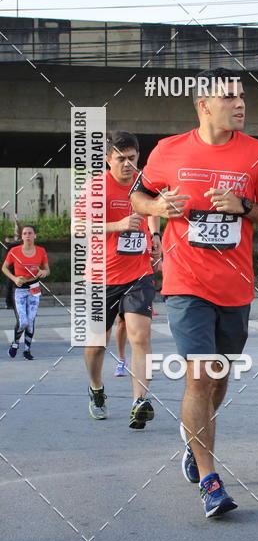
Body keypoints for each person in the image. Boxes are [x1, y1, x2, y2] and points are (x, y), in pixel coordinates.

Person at [131, 67, 258, 518]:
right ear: (204, 105)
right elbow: (140, 196)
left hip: (235, 287)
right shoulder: (169, 150)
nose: (241, 104)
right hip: (186, 283)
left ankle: (192, 439)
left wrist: (245, 206)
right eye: (230, 97)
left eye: (243, 97)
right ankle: (210, 479)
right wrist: (158, 205)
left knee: (218, 377)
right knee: (198, 375)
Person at [72, 131, 162, 428]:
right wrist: (117, 225)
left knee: (140, 336)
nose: (127, 164)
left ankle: (139, 400)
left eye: (132, 158)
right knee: (97, 344)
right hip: (100, 276)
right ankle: (97, 389)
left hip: (138, 274)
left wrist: (156, 236)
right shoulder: (96, 187)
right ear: (108, 159)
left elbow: (154, 210)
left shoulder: (145, 183)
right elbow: (77, 228)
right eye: (121, 158)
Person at [2, 225, 50, 360]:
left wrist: (44, 272)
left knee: (30, 321)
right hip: (19, 290)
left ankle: (27, 350)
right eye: (25, 233)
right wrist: (14, 278)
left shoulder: (41, 251)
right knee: (23, 321)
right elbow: (4, 268)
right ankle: (15, 343)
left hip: (34, 289)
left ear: (35, 236)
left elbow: (47, 270)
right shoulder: (14, 251)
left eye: (30, 233)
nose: (27, 235)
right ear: (21, 236)